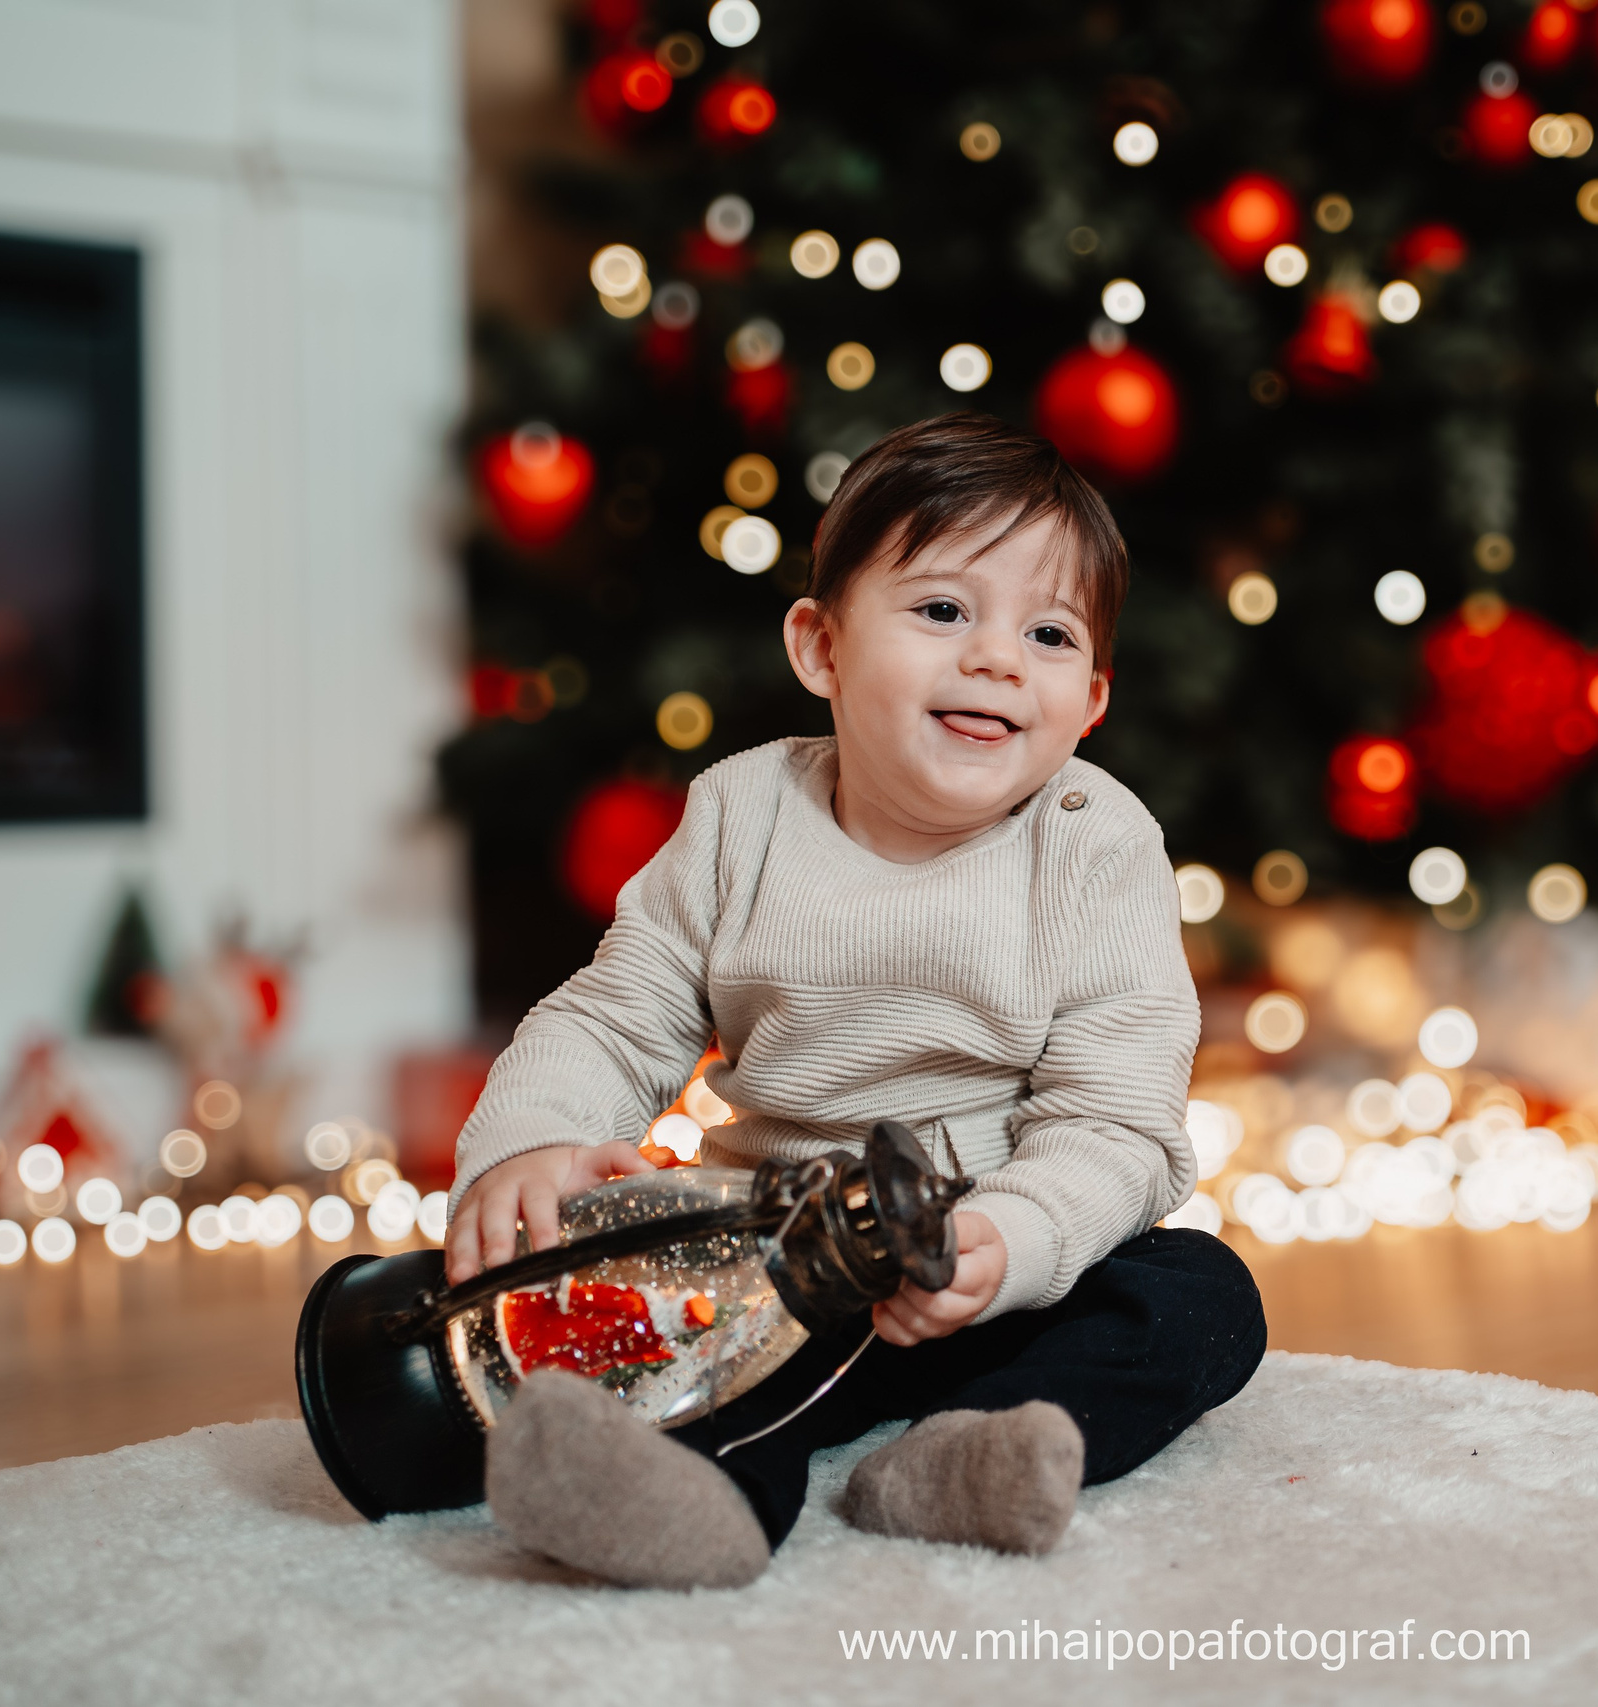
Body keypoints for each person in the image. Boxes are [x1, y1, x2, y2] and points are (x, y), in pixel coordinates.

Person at [444, 414, 1266, 1589]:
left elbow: (1116, 1120)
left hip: (992, 1269)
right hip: (769, 1257)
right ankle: (692, 1493)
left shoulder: (1096, 846)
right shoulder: (743, 814)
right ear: (820, 648)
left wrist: (1011, 1241)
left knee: (1198, 1297)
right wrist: (527, 1148)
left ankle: (961, 1458)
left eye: (1045, 633)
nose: (994, 659)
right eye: (941, 612)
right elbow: (612, 1017)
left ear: (1089, 700)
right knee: (662, 1326)